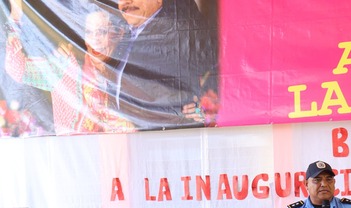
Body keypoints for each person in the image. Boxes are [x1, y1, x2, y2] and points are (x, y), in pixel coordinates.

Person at [5, 1, 134, 134]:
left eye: (101, 32)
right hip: (71, 152)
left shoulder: (129, 74)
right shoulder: (66, 65)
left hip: (114, 152)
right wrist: (16, 18)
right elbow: (16, 68)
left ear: (118, 34)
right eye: (89, 32)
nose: (95, 39)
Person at [113, 0, 217, 130]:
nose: (126, 1)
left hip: (165, 138)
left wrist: (208, 111)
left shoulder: (178, 31)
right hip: (124, 138)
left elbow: (215, 72)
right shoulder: (118, 34)